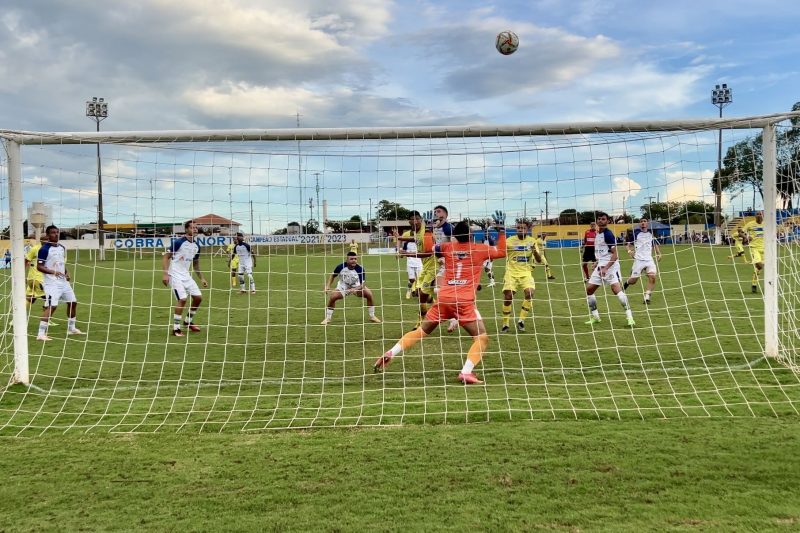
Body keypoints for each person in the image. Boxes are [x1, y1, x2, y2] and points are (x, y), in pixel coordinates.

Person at [374, 220, 507, 384]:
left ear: (455, 236)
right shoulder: (480, 249)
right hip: (463, 301)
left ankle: (391, 352)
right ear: (471, 235)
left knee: (420, 332)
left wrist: (428, 232)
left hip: (443, 298)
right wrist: (501, 232)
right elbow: (502, 251)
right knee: (481, 338)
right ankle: (466, 372)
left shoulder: (447, 247)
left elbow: (431, 249)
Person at [584, 212, 635, 327]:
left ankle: (630, 317)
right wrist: (597, 263)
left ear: (607, 221)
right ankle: (596, 317)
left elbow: (615, 255)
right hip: (600, 266)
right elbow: (603, 253)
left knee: (616, 290)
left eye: (603, 219)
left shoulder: (608, 234)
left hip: (611, 267)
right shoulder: (597, 234)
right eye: (599, 219)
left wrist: (606, 268)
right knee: (589, 290)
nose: (600, 220)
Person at [35, 225, 82, 340]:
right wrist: (53, 272)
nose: (56, 234)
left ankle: (71, 328)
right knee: (52, 306)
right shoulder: (44, 249)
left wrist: (66, 272)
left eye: (57, 232)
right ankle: (41, 334)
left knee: (73, 303)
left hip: (63, 282)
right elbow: (39, 267)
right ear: (47, 235)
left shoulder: (62, 247)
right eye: (53, 232)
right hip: (51, 283)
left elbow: (60, 263)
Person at [163, 220, 208, 337]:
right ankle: (176, 329)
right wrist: (165, 274)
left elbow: (196, 264)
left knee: (198, 298)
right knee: (182, 299)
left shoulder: (197, 246)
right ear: (186, 229)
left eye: (196, 227)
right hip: (174, 275)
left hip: (186, 276)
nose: (195, 229)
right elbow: (166, 257)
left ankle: (188, 321)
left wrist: (202, 278)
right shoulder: (178, 242)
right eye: (192, 227)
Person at [501, 219, 540, 332]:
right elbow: (500, 252)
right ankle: (505, 323)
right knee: (508, 296)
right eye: (518, 228)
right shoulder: (509, 241)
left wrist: (534, 251)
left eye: (523, 228)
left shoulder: (532, 241)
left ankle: (521, 321)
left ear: (527, 229)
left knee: (530, 293)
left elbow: (538, 260)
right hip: (511, 273)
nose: (520, 229)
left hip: (526, 273)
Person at [322, 251, 381, 325]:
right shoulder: (340, 267)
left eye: (355, 259)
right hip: (343, 286)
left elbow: (362, 285)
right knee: (333, 297)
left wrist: (354, 289)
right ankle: (328, 318)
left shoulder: (360, 269)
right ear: (347, 260)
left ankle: (372, 316)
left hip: (356, 286)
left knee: (369, 294)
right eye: (351, 259)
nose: (354, 260)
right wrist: (327, 286)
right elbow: (332, 275)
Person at [623, 218, 662, 304]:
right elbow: (627, 244)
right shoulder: (635, 233)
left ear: (647, 223)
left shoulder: (651, 233)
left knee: (653, 277)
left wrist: (659, 253)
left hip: (649, 260)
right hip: (639, 260)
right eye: (641, 221)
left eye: (644, 221)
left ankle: (647, 297)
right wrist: (629, 251)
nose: (643, 223)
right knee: (633, 281)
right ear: (639, 224)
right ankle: (626, 283)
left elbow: (654, 244)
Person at [394, 211, 424, 300]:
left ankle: (417, 292)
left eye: (417, 219)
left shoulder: (424, 232)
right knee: (412, 279)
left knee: (420, 279)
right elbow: (400, 240)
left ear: (420, 220)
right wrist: (398, 251)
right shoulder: (407, 234)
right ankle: (409, 289)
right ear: (409, 221)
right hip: (410, 261)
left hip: (420, 261)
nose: (415, 221)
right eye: (412, 219)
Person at [739, 211, 765, 293]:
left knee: (758, 269)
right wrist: (746, 237)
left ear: (763, 215)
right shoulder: (750, 224)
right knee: (759, 265)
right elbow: (740, 232)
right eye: (757, 214)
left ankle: (754, 284)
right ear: (755, 216)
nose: (759, 215)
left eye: (760, 214)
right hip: (754, 248)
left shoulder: (766, 224)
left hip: (765, 248)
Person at [25, 235, 47, 305]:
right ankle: (46, 311)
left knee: (30, 299)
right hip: (39, 279)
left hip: (31, 278)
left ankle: (18, 310)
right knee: (49, 299)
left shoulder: (34, 248)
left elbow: (26, 260)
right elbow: (26, 261)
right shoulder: (44, 250)